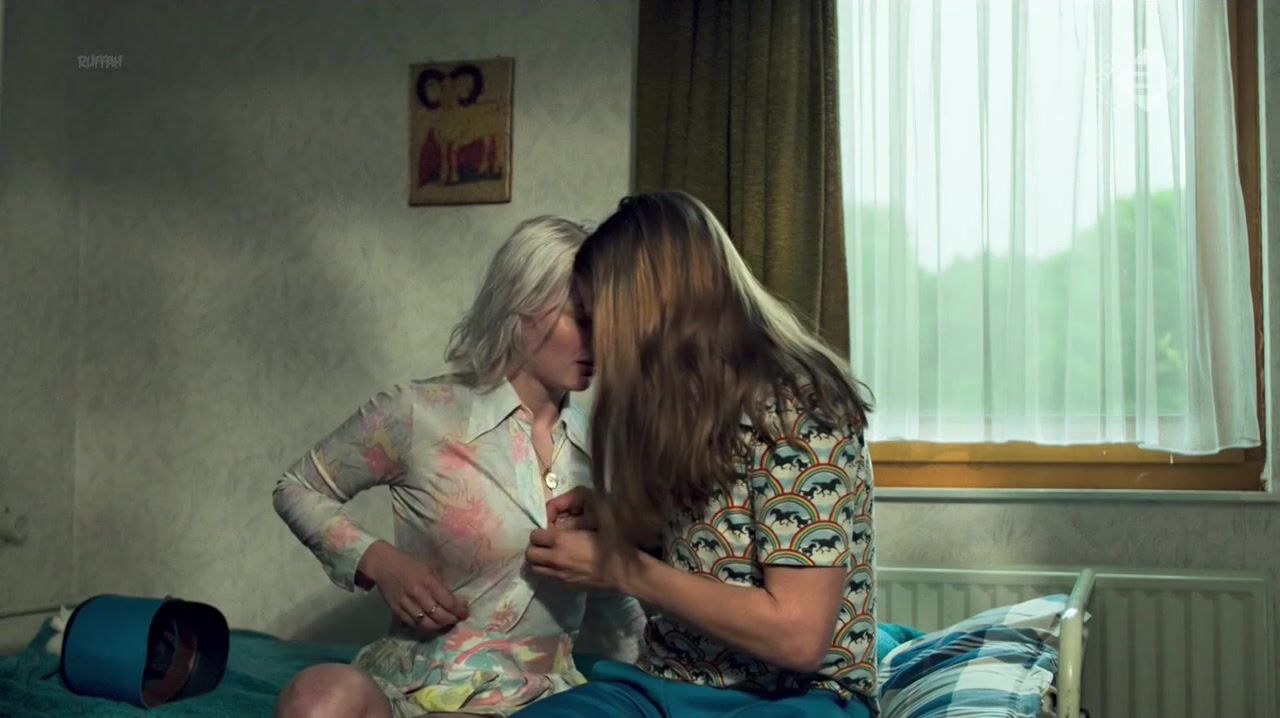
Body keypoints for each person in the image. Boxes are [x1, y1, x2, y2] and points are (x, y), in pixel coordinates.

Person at [517, 192, 877, 718]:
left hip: (799, 698)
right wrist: (618, 521)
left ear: (647, 312)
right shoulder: (677, 403)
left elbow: (798, 636)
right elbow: (709, 551)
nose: (597, 344)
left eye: (602, 320)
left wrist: (619, 566)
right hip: (665, 683)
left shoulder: (801, 408)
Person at [272, 216, 646, 718]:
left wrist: (656, 679)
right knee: (317, 698)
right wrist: (378, 560)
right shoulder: (420, 414)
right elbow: (297, 487)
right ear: (520, 306)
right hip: (414, 689)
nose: (600, 341)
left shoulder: (605, 448)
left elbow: (611, 598)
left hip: (541, 702)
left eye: (609, 321)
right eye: (581, 318)